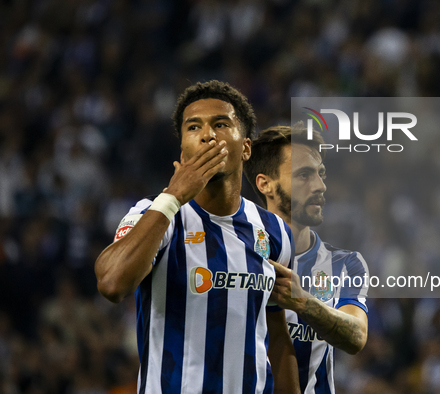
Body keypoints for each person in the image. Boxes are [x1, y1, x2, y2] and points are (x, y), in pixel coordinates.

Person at [94, 81, 299, 394]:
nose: (207, 135)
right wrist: (174, 196)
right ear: (183, 149)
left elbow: (277, 337)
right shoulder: (154, 215)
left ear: (246, 147)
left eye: (220, 124)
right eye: (194, 127)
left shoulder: (275, 232)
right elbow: (111, 283)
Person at [244, 124, 369, 394]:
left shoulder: (346, 264)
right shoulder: (241, 256)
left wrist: (304, 301)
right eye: (304, 175)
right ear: (266, 184)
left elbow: (357, 336)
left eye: (320, 174)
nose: (320, 186)